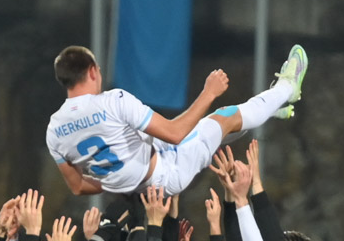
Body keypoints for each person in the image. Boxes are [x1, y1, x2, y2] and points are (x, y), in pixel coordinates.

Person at [47, 44, 307, 197]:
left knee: (213, 125)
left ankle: (264, 111)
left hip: (147, 175)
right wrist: (209, 92)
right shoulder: (113, 101)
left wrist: (121, 180)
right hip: (167, 171)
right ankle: (287, 88)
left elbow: (78, 186)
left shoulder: (54, 130)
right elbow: (174, 133)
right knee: (224, 116)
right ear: (92, 71)